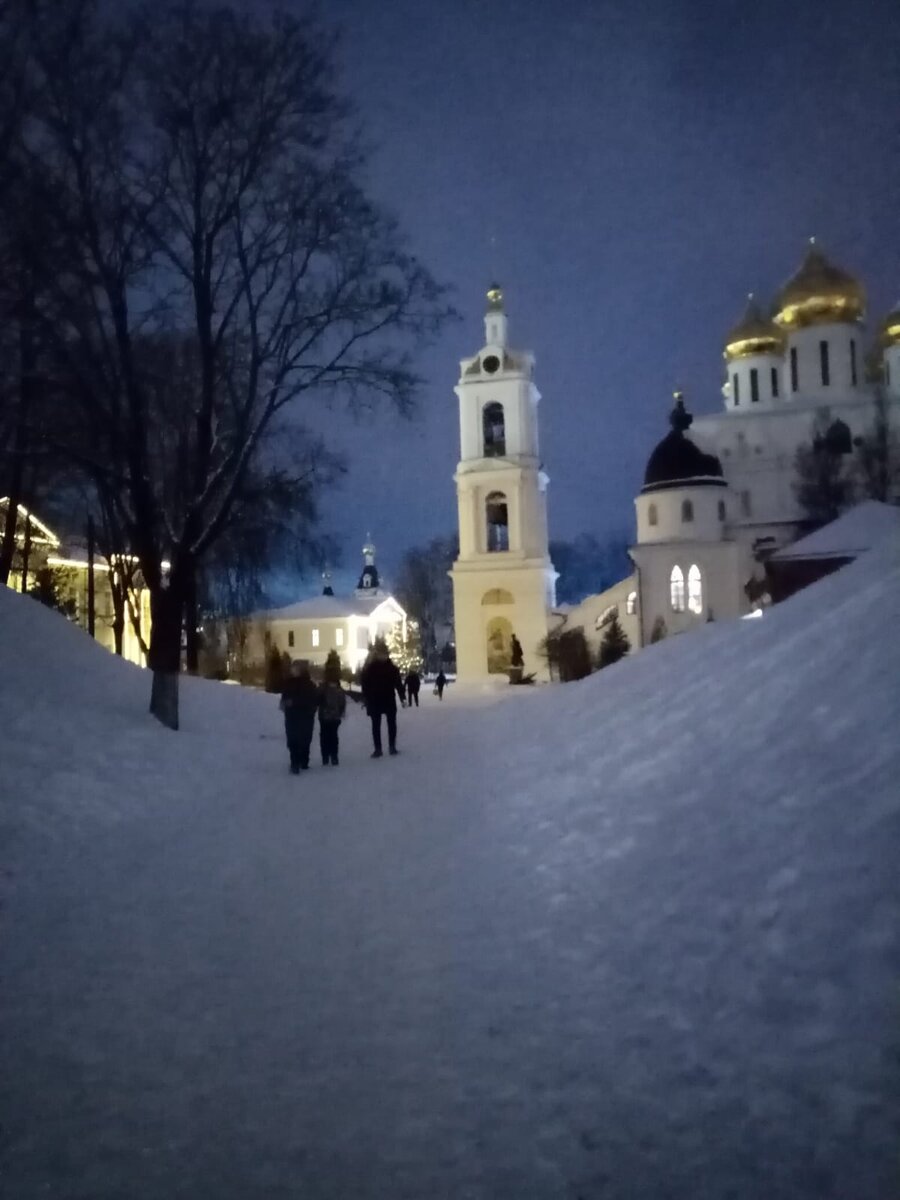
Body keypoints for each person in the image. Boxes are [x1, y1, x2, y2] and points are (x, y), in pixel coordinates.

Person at [360, 641, 405, 757]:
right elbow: (365, 684)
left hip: (388, 699)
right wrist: (366, 697)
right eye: (381, 654)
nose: (382, 656)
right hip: (375, 700)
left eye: (384, 654)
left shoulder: (392, 669)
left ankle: (392, 746)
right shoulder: (371, 669)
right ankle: (378, 749)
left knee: (391, 724)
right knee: (376, 725)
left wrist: (402, 697)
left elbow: (398, 684)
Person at [279, 660, 319, 773]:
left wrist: (294, 702)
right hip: (292, 716)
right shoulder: (289, 683)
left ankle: (304, 761)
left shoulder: (308, 684)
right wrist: (284, 703)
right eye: (293, 668)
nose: (293, 670)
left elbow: (311, 699)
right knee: (293, 739)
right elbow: (285, 696)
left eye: (295, 668)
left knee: (304, 739)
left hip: (305, 716)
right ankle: (295, 762)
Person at [317, 664, 348, 766]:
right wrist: (341, 712)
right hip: (332, 716)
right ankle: (332, 756)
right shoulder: (338, 689)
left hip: (326, 716)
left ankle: (327, 756)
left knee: (326, 737)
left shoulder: (323, 687)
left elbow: (317, 699)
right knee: (332, 736)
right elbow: (342, 702)